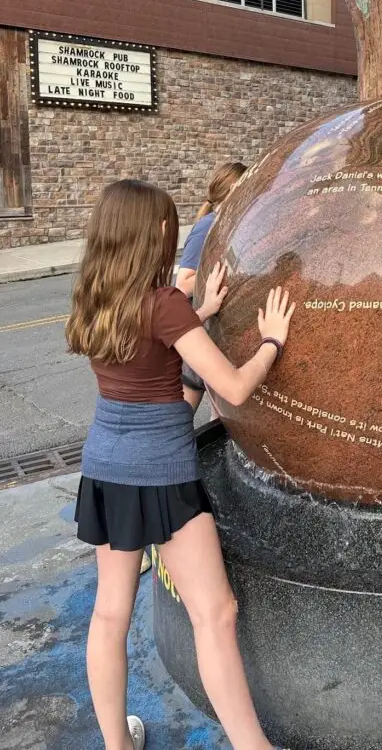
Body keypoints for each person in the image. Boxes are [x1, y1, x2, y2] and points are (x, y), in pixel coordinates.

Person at [66, 179, 293, 750]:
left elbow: (154, 346)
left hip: (105, 467)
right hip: (162, 475)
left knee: (110, 615)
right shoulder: (162, 303)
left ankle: (116, 744)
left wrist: (202, 311)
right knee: (214, 614)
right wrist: (271, 342)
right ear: (157, 232)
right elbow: (234, 388)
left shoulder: (96, 293)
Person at [176, 161, 247, 413]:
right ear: (231, 191)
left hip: (217, 330)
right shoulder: (207, 225)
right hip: (199, 330)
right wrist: (223, 274)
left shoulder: (229, 224)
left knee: (223, 414)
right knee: (184, 412)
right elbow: (183, 282)